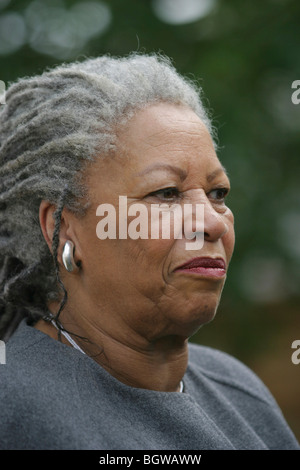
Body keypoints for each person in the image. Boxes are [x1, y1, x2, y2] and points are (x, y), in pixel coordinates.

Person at [0, 53, 298, 450]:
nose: (211, 223)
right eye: (167, 194)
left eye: (218, 194)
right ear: (63, 227)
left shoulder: (240, 391)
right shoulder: (17, 413)